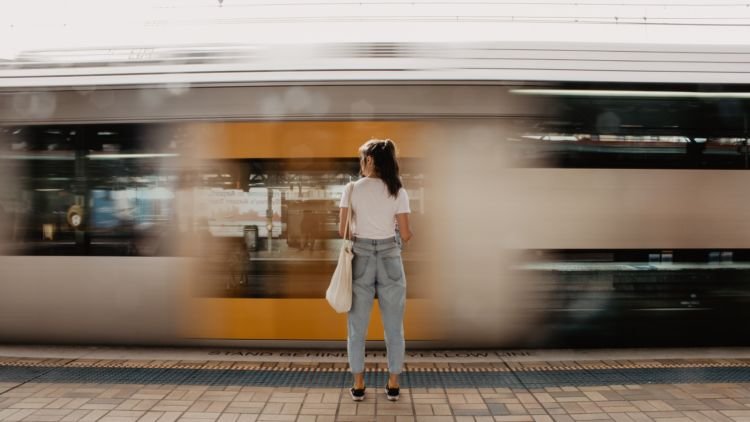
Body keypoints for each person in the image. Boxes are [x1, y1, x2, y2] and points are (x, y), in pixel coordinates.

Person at [339, 138, 413, 402]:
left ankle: (358, 385)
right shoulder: (398, 191)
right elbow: (405, 234)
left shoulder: (351, 189)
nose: (361, 163)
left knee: (356, 327)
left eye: (363, 158)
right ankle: (393, 384)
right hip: (390, 258)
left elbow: (343, 230)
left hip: (361, 258)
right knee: (394, 327)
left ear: (369, 161)